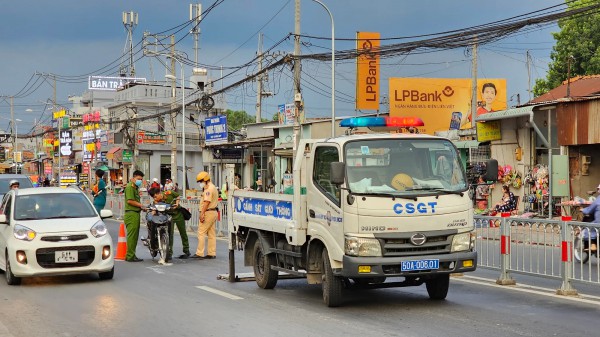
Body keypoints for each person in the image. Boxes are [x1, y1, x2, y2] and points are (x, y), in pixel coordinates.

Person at [147, 187, 190, 260]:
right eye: (153, 198)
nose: (155, 199)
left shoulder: (169, 193)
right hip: (169, 217)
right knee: (170, 234)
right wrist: (153, 211)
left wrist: (177, 203)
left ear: (159, 193)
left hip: (178, 214)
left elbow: (177, 196)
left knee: (183, 233)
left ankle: (186, 250)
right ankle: (169, 253)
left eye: (155, 197)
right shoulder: (156, 202)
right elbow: (154, 208)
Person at [191, 171, 218, 259]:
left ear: (205, 180)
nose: (200, 183)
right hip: (213, 212)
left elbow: (206, 202)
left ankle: (200, 253)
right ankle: (211, 253)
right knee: (211, 233)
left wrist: (202, 214)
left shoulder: (209, 189)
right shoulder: (212, 187)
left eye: (201, 181)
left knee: (201, 232)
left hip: (208, 212)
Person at [124, 170, 146, 262]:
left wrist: (142, 207)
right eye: (138, 179)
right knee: (132, 236)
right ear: (133, 178)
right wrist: (141, 205)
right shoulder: (130, 187)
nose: (140, 181)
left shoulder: (135, 187)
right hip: (131, 213)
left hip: (135, 213)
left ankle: (132, 254)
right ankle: (130, 256)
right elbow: (130, 201)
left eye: (141, 179)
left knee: (135, 236)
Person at [581, 184, 600, 251]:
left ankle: (593, 245)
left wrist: (582, 210)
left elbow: (589, 210)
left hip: (598, 223)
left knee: (588, 229)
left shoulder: (597, 200)